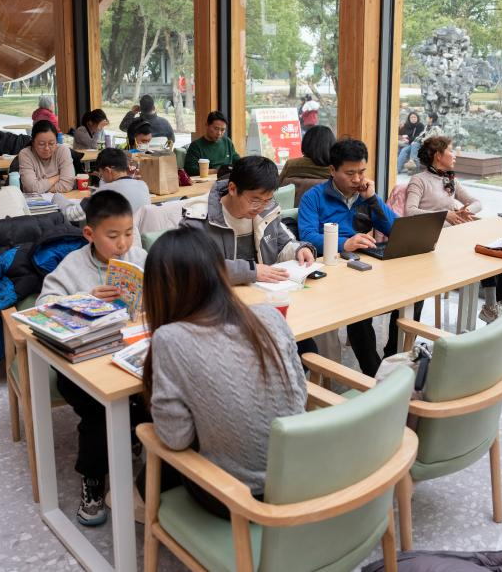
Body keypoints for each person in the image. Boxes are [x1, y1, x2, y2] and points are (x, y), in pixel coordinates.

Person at [143, 226, 307, 518]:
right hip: (299, 478)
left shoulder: (170, 338)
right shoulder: (269, 316)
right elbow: (299, 394)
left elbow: (176, 438)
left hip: (237, 498)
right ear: (220, 272)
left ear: (160, 289)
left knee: (147, 475)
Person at [36, 191, 147, 526]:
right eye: (112, 236)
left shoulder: (139, 257)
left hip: (129, 352)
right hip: (80, 363)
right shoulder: (73, 265)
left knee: (159, 393)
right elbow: (43, 306)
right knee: (100, 410)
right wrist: (86, 299)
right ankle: (94, 479)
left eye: (128, 233)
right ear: (90, 234)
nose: (122, 244)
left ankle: (142, 458)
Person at [298, 138, 396, 375]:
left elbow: (394, 229)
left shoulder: (365, 196)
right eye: (350, 173)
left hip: (364, 266)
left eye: (362, 172)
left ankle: (393, 357)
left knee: (411, 296)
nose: (358, 179)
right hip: (330, 270)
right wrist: (345, 243)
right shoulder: (313, 197)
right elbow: (307, 236)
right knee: (358, 310)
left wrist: (373, 199)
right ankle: (374, 375)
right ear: (332, 170)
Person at [403, 135, 502, 325]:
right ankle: (491, 308)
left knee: (489, 249)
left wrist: (466, 211)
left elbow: (477, 202)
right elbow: (409, 212)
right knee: (482, 249)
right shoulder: (419, 180)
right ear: (438, 155)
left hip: (453, 237)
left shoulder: (450, 180)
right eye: (451, 150)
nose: (455, 155)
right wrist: (445, 215)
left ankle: (491, 306)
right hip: (432, 241)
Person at [181, 155, 317, 285]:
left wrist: (299, 250)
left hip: (262, 291)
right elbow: (193, 266)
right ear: (232, 189)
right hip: (219, 295)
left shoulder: (268, 211)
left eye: (267, 200)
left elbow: (284, 243)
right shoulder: (199, 218)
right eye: (255, 200)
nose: (261, 208)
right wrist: (251, 271)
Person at [17, 119, 75, 194]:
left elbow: (68, 184)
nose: (47, 148)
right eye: (41, 144)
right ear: (33, 143)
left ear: (56, 142)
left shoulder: (62, 151)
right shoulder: (26, 154)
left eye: (51, 143)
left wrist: (40, 188)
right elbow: (31, 189)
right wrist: (57, 177)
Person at [92, 147, 150, 213]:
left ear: (107, 170)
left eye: (101, 174)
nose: (102, 178)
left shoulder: (104, 191)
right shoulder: (143, 185)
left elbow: (83, 211)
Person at [184, 111, 240, 176]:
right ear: (207, 125)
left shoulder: (227, 142)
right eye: (216, 128)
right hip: (207, 179)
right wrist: (218, 171)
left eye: (222, 130)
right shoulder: (196, 146)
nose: (219, 133)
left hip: (228, 178)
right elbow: (190, 170)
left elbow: (237, 161)